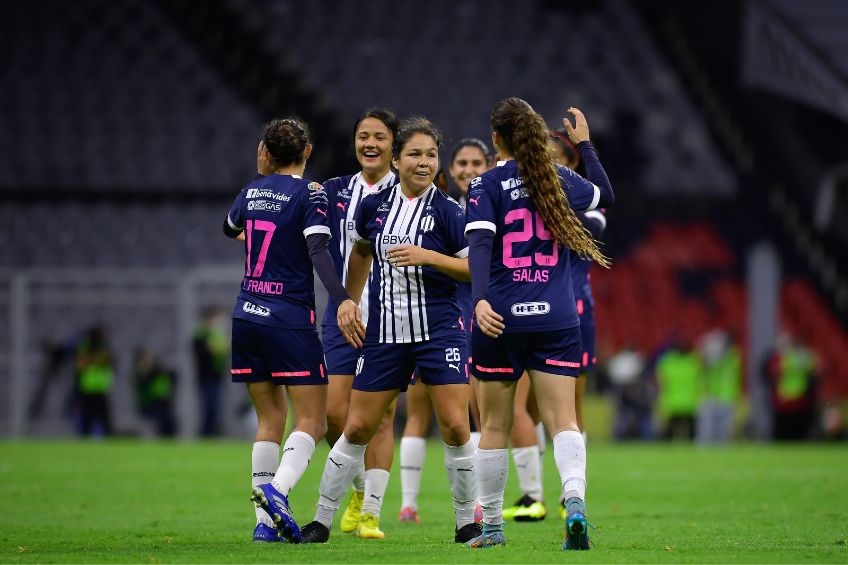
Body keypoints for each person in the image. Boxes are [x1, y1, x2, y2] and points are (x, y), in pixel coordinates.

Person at [300, 117, 481, 545]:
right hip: (384, 333)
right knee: (357, 426)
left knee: (456, 426)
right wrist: (348, 300)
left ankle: (466, 523)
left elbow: (476, 268)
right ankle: (321, 521)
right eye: (415, 154)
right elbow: (361, 252)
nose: (423, 162)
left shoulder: (450, 213)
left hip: (439, 332)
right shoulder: (372, 207)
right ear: (396, 159)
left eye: (431, 155)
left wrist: (428, 257)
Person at [465, 98, 614, 550]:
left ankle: (491, 528)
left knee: (493, 424)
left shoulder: (484, 184)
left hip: (501, 318)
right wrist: (584, 146)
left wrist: (479, 301)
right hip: (557, 316)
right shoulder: (559, 179)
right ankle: (574, 503)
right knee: (563, 419)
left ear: (496, 139)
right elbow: (605, 196)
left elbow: (479, 248)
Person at [223, 117, 352, 543]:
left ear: (265, 151)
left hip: (246, 315)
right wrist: (343, 296)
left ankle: (263, 528)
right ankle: (276, 494)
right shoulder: (309, 193)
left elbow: (230, 228)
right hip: (288, 318)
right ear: (307, 152)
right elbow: (317, 248)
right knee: (313, 420)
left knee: (269, 420)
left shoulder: (250, 191)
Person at [398, 138, 491, 524]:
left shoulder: (491, 206)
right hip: (438, 319)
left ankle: (483, 500)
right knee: (419, 412)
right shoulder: (439, 210)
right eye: (461, 163)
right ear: (449, 171)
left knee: (477, 414)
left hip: (482, 318)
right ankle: (408, 503)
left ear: (489, 166)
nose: (468, 170)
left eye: (476, 163)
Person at [320, 109, 400, 538]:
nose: (370, 143)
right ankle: (357, 488)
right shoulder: (334, 191)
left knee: (381, 419)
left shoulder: (409, 191)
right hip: (342, 312)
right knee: (335, 415)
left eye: (380, 137)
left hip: (391, 316)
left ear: (394, 144)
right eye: (363, 136)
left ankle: (371, 512)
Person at [193, 307, 228, 437]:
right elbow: (201, 351)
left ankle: (211, 431)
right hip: (206, 375)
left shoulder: (216, 334)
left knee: (214, 405)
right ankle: (207, 432)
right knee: (209, 405)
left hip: (216, 375)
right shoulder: (202, 333)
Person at [74, 325, 114, 438]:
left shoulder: (104, 348)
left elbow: (110, 362)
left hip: (101, 389)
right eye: (102, 334)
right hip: (87, 390)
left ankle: (109, 443)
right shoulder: (85, 348)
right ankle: (85, 443)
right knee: (87, 420)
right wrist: (94, 359)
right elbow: (79, 365)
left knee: (106, 420)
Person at [133, 348, 176, 437]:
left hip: (161, 405)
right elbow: (143, 390)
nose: (149, 360)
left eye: (150, 358)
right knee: (163, 418)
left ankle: (168, 440)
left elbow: (171, 378)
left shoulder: (158, 371)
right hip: (148, 406)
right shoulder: (140, 374)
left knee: (169, 419)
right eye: (146, 358)